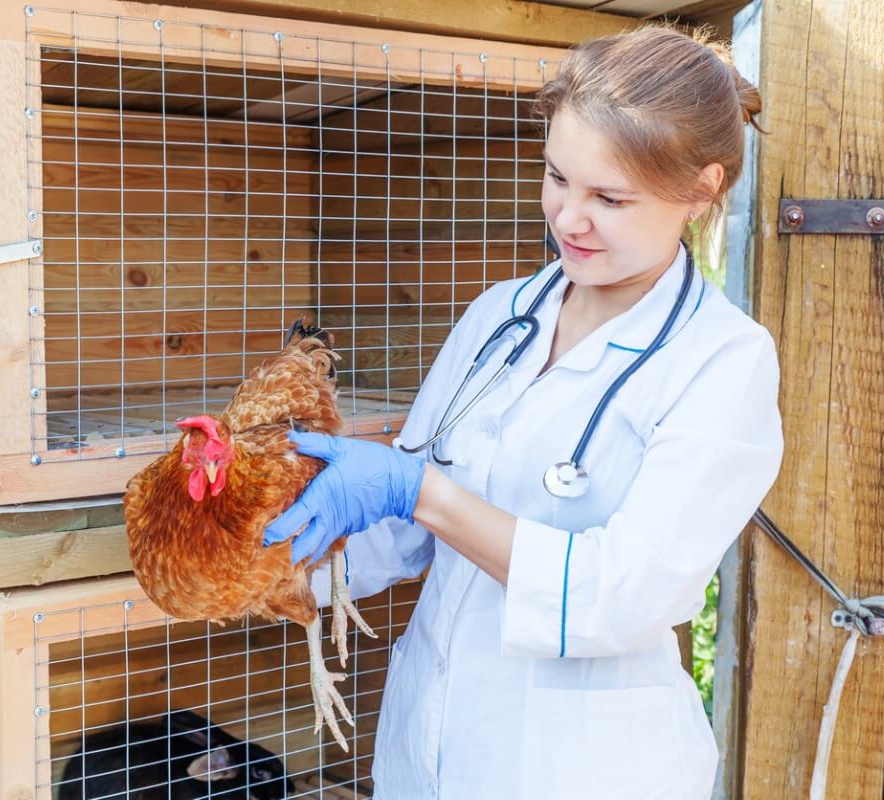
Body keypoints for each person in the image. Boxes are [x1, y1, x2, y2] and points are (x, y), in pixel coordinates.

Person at [263, 24, 782, 799]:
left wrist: (418, 492)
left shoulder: (723, 362)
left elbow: (622, 594)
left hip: (582, 769)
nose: (568, 218)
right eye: (556, 177)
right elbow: (403, 529)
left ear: (702, 189)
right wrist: (276, 549)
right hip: (428, 751)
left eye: (608, 197)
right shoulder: (501, 316)